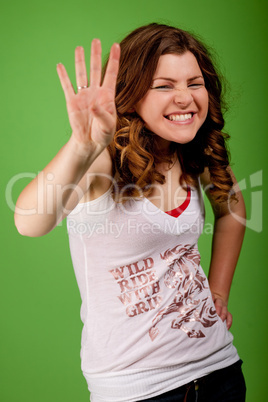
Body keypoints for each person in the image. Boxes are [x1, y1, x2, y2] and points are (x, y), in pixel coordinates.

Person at [14, 23, 247, 402]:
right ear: (132, 92)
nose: (185, 98)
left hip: (219, 371)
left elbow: (233, 207)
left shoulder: (191, 150)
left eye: (194, 82)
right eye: (164, 85)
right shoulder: (102, 162)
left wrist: (218, 290)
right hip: (139, 390)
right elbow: (29, 221)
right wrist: (81, 144)